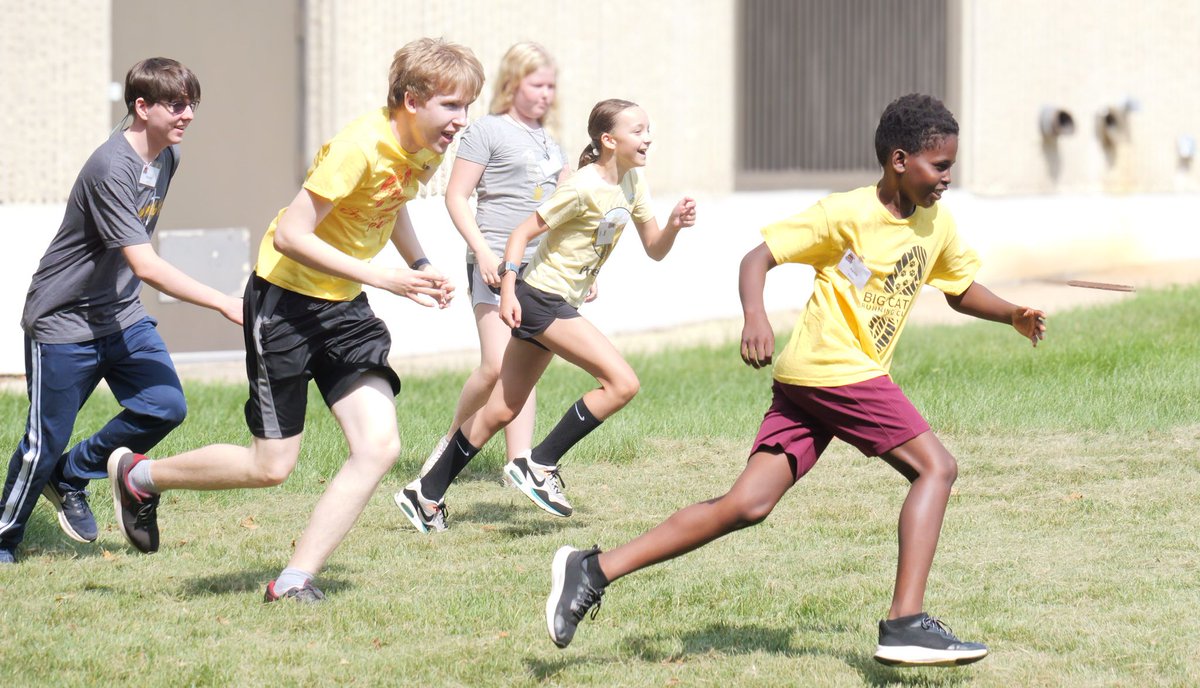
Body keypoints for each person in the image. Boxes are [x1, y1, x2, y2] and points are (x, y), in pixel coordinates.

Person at [543, 94, 1048, 667]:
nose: (947, 178)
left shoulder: (937, 222)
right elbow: (756, 259)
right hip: (837, 370)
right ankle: (905, 621)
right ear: (900, 160)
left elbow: (957, 287)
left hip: (814, 382)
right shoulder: (846, 213)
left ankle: (593, 568)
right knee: (938, 467)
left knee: (747, 504)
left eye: (951, 165)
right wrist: (755, 317)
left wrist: (1010, 313)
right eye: (938, 166)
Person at [105, 38, 484, 603]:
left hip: (344, 310)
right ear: (412, 98)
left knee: (378, 447)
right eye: (451, 106)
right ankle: (139, 478)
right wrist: (385, 278)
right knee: (271, 466)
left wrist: (421, 263)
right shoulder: (359, 145)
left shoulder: (425, 146)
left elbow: (391, 201)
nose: (461, 120)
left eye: (466, 107)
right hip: (285, 302)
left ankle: (293, 580)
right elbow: (291, 235)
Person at [396, 98, 697, 532]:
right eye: (638, 129)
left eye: (648, 128)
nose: (648, 136)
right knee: (622, 382)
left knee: (501, 409)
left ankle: (424, 492)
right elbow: (521, 234)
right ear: (609, 140)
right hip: (541, 298)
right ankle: (540, 462)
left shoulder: (634, 183)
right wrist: (509, 291)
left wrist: (673, 225)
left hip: (558, 301)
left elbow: (655, 249)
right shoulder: (581, 186)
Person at [0, 58, 242, 565]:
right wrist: (222, 300)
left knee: (164, 404)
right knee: (42, 443)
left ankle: (74, 475)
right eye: (176, 105)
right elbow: (146, 264)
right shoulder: (111, 167)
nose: (188, 115)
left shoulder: (168, 157)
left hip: (122, 314)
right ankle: (4, 537)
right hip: (64, 321)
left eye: (192, 104)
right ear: (141, 107)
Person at [416, 42, 570, 480]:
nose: (546, 94)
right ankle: (449, 444)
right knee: (496, 366)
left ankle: (518, 463)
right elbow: (456, 196)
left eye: (551, 86)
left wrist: (576, 266)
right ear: (512, 83)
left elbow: (561, 211)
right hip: (495, 262)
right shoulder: (486, 131)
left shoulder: (552, 144)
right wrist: (483, 250)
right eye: (537, 84)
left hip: (542, 268)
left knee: (525, 365)